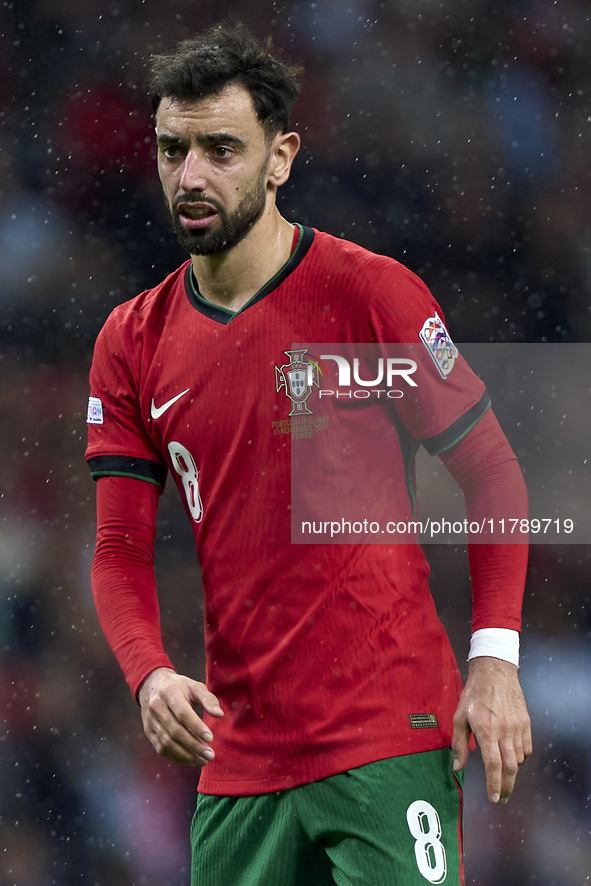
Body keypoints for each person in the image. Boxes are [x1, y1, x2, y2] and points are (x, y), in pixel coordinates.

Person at [86, 22, 532, 886]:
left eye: (221, 148)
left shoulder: (368, 293)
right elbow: (118, 549)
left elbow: (492, 472)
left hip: (384, 734)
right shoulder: (131, 341)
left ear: (280, 156)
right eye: (172, 150)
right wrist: (148, 677)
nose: (190, 176)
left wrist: (495, 663)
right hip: (239, 759)